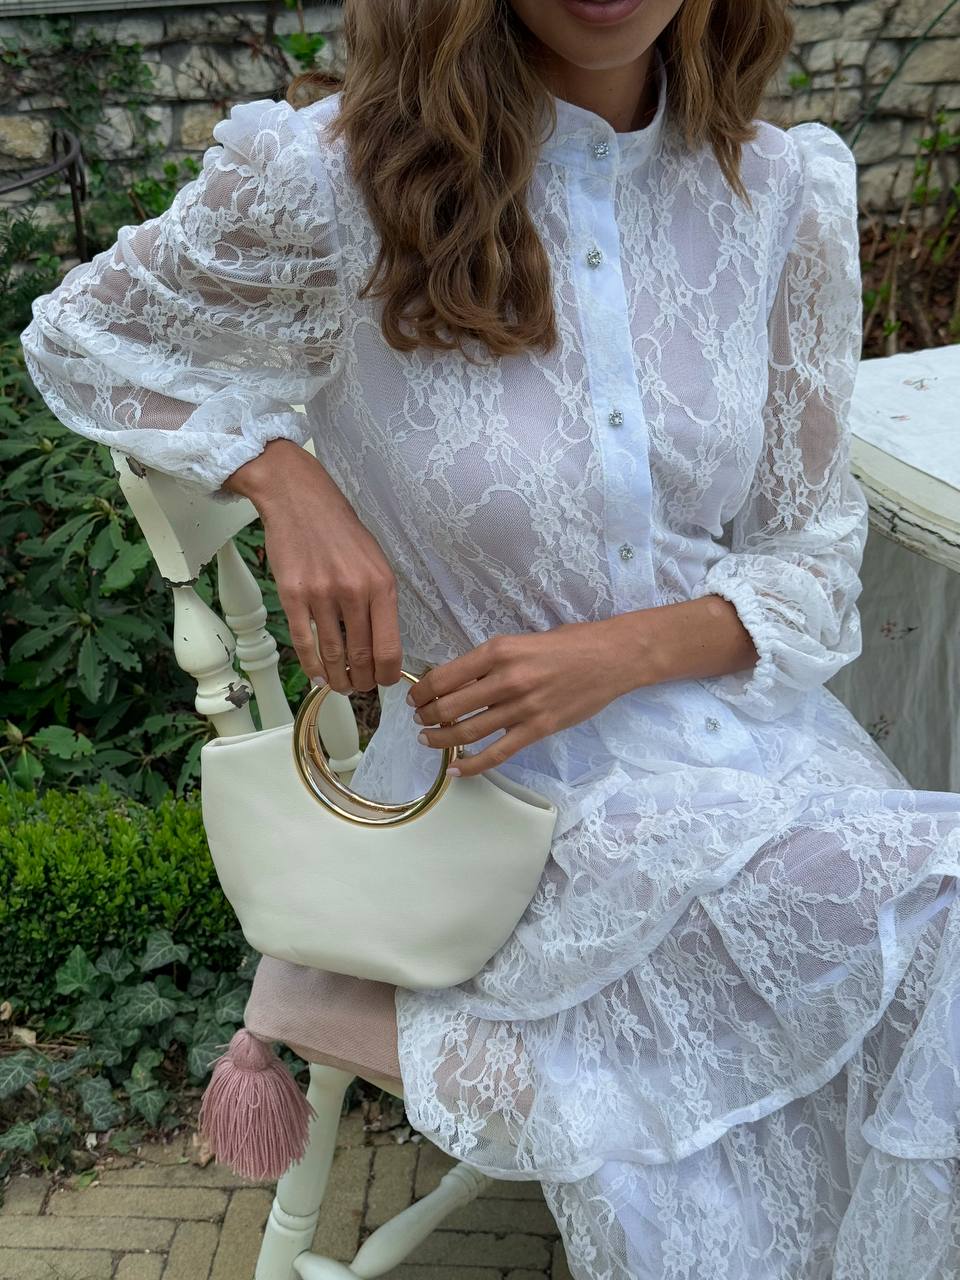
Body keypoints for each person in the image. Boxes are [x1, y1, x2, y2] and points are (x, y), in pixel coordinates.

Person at [20, 0, 960, 1275]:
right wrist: (282, 474)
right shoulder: (333, 182)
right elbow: (84, 334)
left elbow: (811, 560)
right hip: (498, 806)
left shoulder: (778, 190)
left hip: (757, 761)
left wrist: (620, 652)